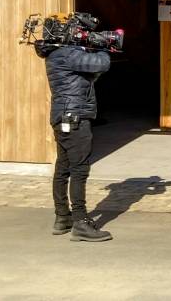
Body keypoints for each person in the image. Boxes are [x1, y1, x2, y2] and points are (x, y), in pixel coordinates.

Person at [43, 44, 113, 242]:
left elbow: (90, 74)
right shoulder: (68, 54)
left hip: (63, 116)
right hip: (75, 117)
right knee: (79, 169)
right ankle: (80, 222)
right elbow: (103, 63)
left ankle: (62, 218)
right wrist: (103, 47)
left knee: (63, 167)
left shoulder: (56, 54)